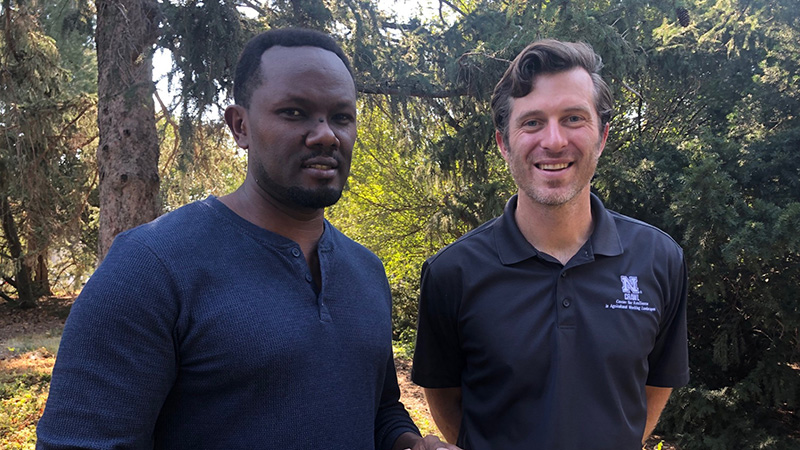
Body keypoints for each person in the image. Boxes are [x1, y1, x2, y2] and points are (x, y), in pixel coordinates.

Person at [37, 28, 458, 450]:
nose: (326, 134)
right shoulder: (150, 266)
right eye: (295, 112)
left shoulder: (366, 271)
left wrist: (410, 443)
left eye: (341, 116)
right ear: (240, 126)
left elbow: (379, 409)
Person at [412, 39, 689, 450]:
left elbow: (653, 389)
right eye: (532, 122)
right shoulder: (452, 272)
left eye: (574, 118)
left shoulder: (659, 258)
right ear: (504, 143)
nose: (555, 141)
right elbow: (445, 400)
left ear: (603, 136)